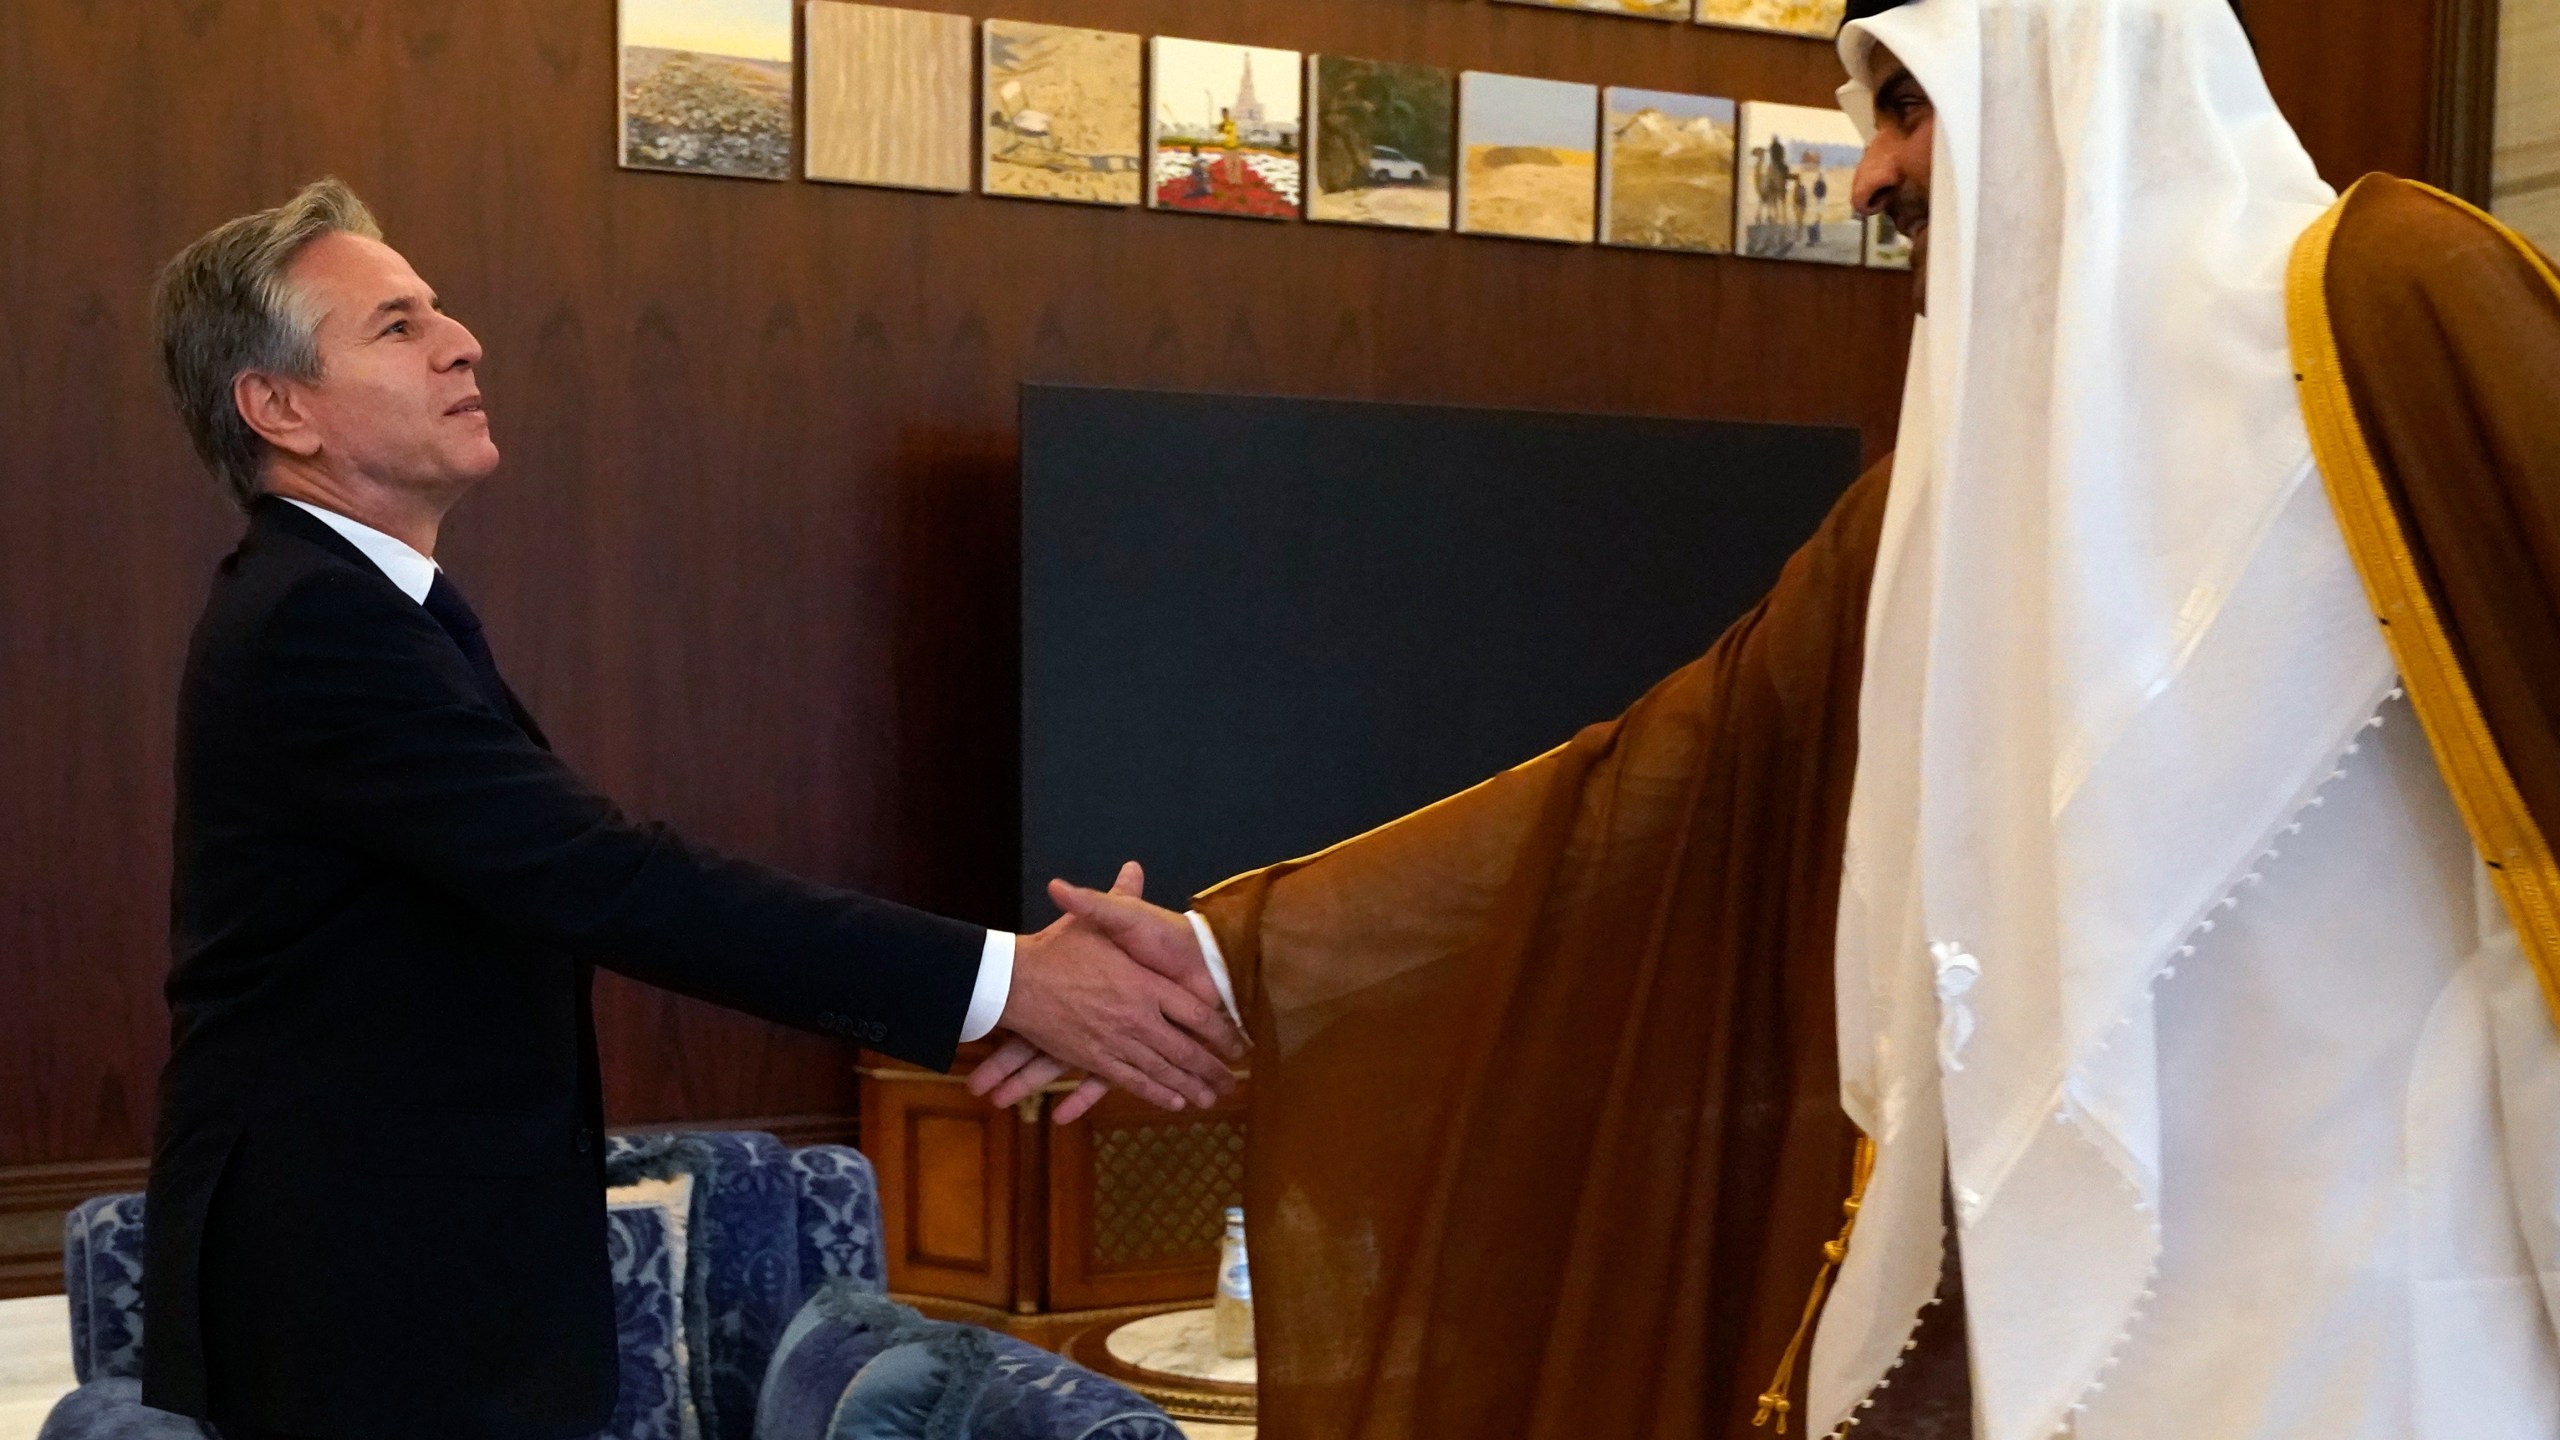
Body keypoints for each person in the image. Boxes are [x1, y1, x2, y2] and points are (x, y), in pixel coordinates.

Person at [967, 1, 2560, 1437]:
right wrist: (1235, 959)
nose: (1871, 179)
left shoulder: (2391, 303)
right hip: (2048, 1333)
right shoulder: (1939, 493)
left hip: (2395, 1325)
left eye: (1911, 107)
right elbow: (1657, 789)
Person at [140, 179, 1244, 1440]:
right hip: (359, 1300)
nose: (462, 340)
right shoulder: (314, 620)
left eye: (438, 308)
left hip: (410, 1277)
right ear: (279, 407)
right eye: (396, 326)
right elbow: (608, 879)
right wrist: (1010, 986)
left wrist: (1011, 990)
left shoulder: (363, 605)